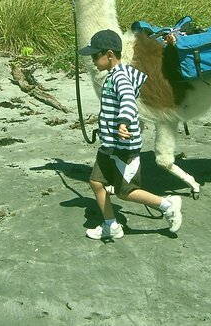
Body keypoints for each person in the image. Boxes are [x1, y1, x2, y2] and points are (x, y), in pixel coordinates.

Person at [78, 29, 183, 240]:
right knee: (96, 182)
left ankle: (167, 205)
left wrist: (124, 123)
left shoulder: (121, 78)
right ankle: (111, 225)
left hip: (124, 148)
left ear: (109, 55)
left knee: (125, 192)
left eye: (94, 55)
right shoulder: (113, 76)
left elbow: (127, 100)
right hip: (109, 145)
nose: (92, 60)